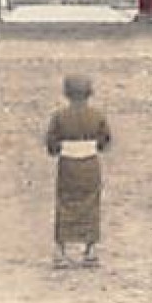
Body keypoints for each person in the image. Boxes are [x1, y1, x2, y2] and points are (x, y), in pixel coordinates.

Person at [44, 74, 112, 268]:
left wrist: (59, 148)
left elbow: (51, 144)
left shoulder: (59, 116)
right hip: (90, 164)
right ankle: (90, 251)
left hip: (68, 164)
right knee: (91, 204)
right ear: (89, 93)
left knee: (65, 202)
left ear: (66, 93)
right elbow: (105, 141)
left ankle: (60, 251)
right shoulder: (97, 116)